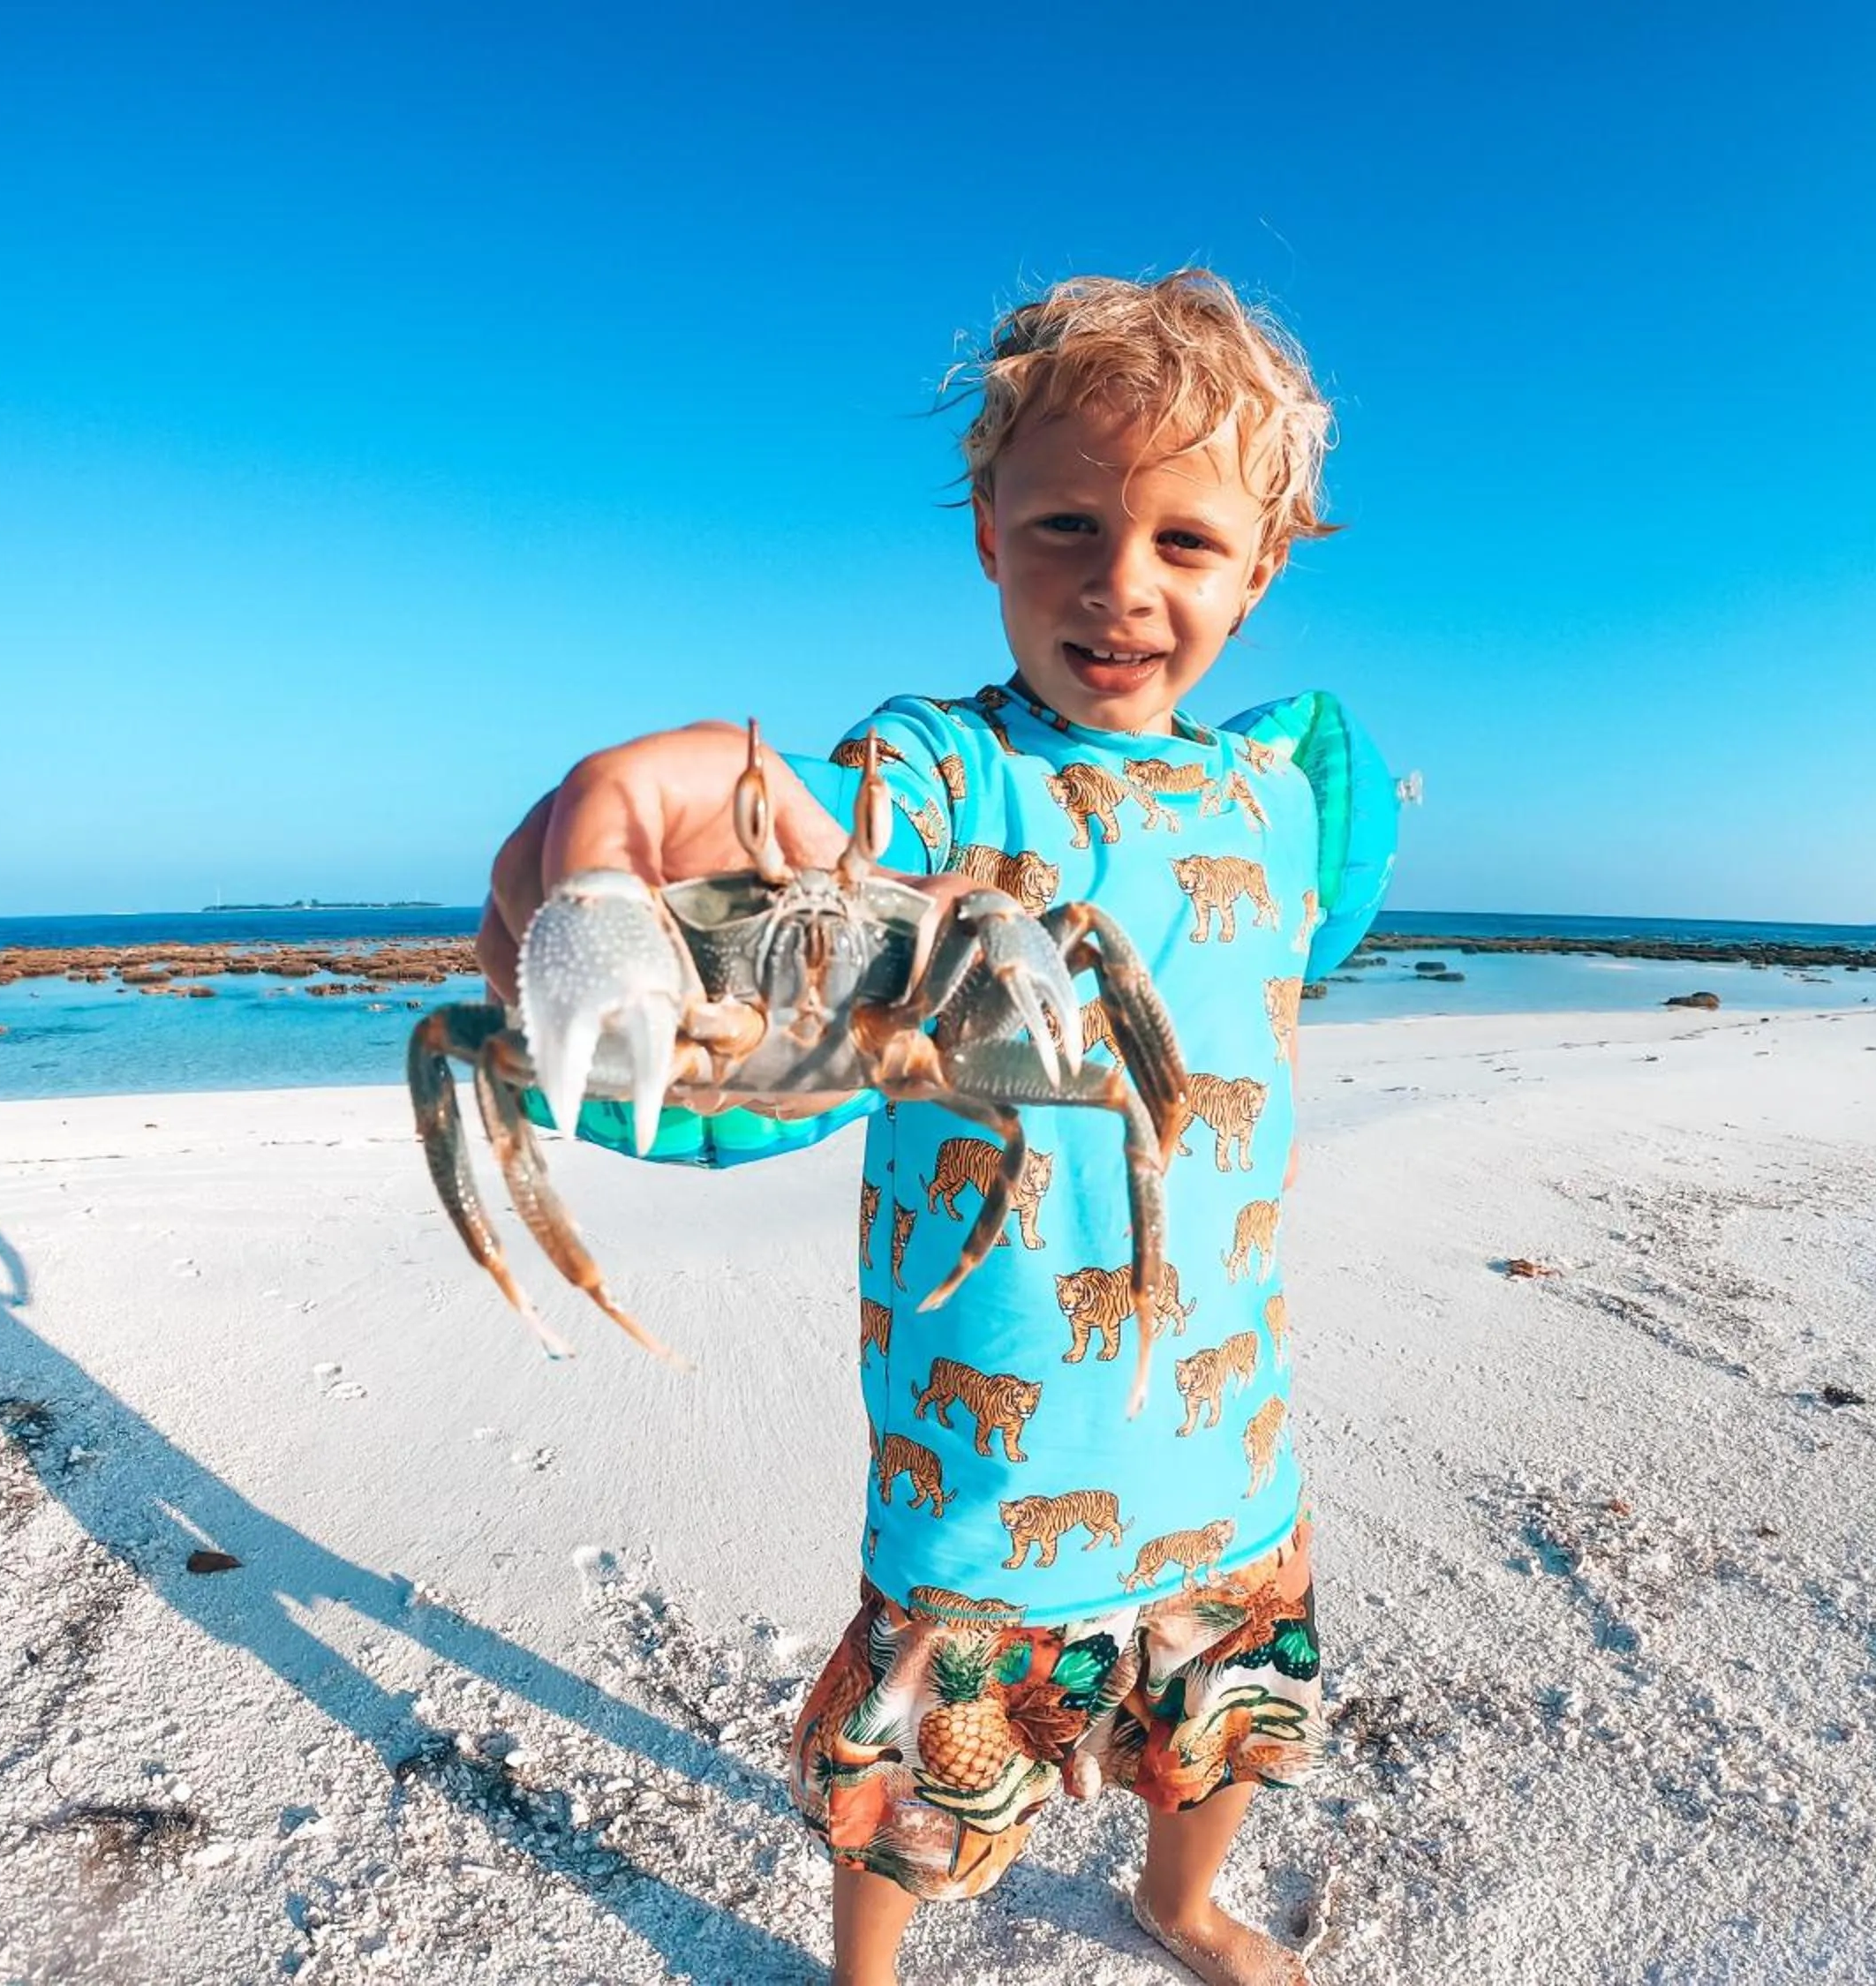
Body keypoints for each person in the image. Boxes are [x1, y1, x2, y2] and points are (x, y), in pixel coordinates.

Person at [478, 270, 1395, 1986]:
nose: (1121, 585)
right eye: (1066, 522)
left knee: (1230, 1723)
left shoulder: (1273, 807)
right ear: (987, 530)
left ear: (1261, 570)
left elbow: (1312, 894)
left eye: (1187, 545)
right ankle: (869, 1974)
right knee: (908, 1788)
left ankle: (1178, 1905)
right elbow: (824, 853)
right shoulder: (947, 777)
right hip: (987, 1472)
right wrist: (644, 822)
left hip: (1228, 1446)